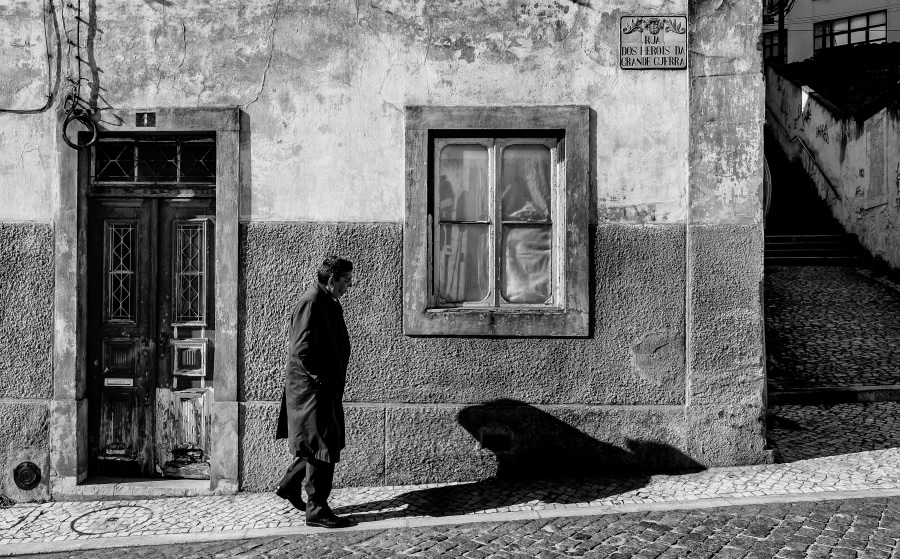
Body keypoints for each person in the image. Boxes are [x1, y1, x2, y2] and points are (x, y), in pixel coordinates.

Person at [275, 256, 354, 528]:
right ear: (331, 280)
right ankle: (317, 511)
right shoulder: (312, 302)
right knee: (323, 448)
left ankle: (289, 484)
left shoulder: (325, 299)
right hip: (314, 390)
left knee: (317, 443)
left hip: (321, 388)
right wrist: (323, 380)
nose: (349, 286)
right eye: (346, 281)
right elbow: (302, 350)